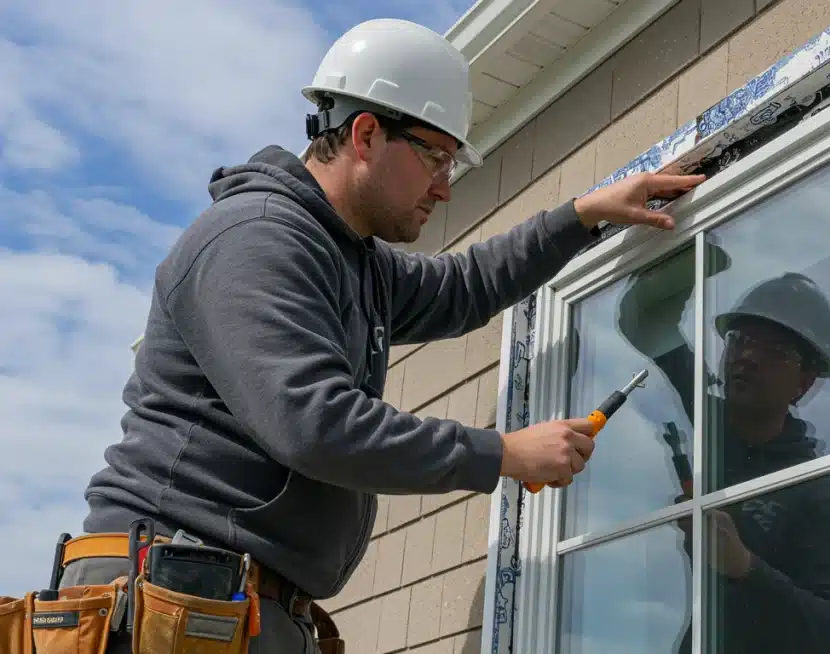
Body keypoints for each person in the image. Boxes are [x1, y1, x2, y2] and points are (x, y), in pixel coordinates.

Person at [47, 18, 704, 654]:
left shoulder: (352, 261)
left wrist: (581, 217)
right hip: (172, 598)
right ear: (365, 134)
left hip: (227, 602)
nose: (445, 188)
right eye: (436, 159)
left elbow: (464, 287)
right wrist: (501, 453)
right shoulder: (256, 239)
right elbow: (314, 423)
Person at [616, 253, 830, 654]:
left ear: (802, 384)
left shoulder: (813, 491)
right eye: (741, 339)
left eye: (776, 351)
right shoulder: (712, 420)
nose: (748, 356)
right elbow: (641, 318)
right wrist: (696, 251)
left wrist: (744, 567)